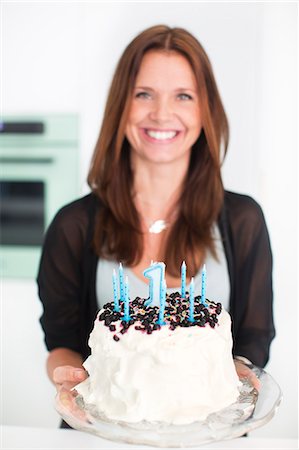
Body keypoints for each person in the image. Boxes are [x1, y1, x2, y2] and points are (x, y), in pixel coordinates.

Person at [37, 25, 275, 404]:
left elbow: (253, 340)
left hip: (208, 431)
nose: (162, 114)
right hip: (103, 433)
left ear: (205, 110)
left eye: (183, 95)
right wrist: (69, 376)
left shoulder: (243, 220)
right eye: (144, 94)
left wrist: (238, 373)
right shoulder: (73, 225)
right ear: (121, 105)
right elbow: (62, 343)